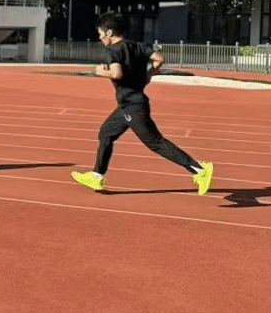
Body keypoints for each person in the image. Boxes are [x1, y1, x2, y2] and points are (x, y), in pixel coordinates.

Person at [71, 12, 214, 194]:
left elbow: (116, 74)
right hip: (127, 105)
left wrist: (100, 72)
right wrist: (147, 75)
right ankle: (96, 176)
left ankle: (199, 169)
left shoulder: (113, 51)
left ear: (109, 32)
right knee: (106, 133)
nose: (100, 38)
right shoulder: (139, 46)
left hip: (132, 106)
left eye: (100, 34)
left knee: (155, 142)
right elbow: (159, 59)